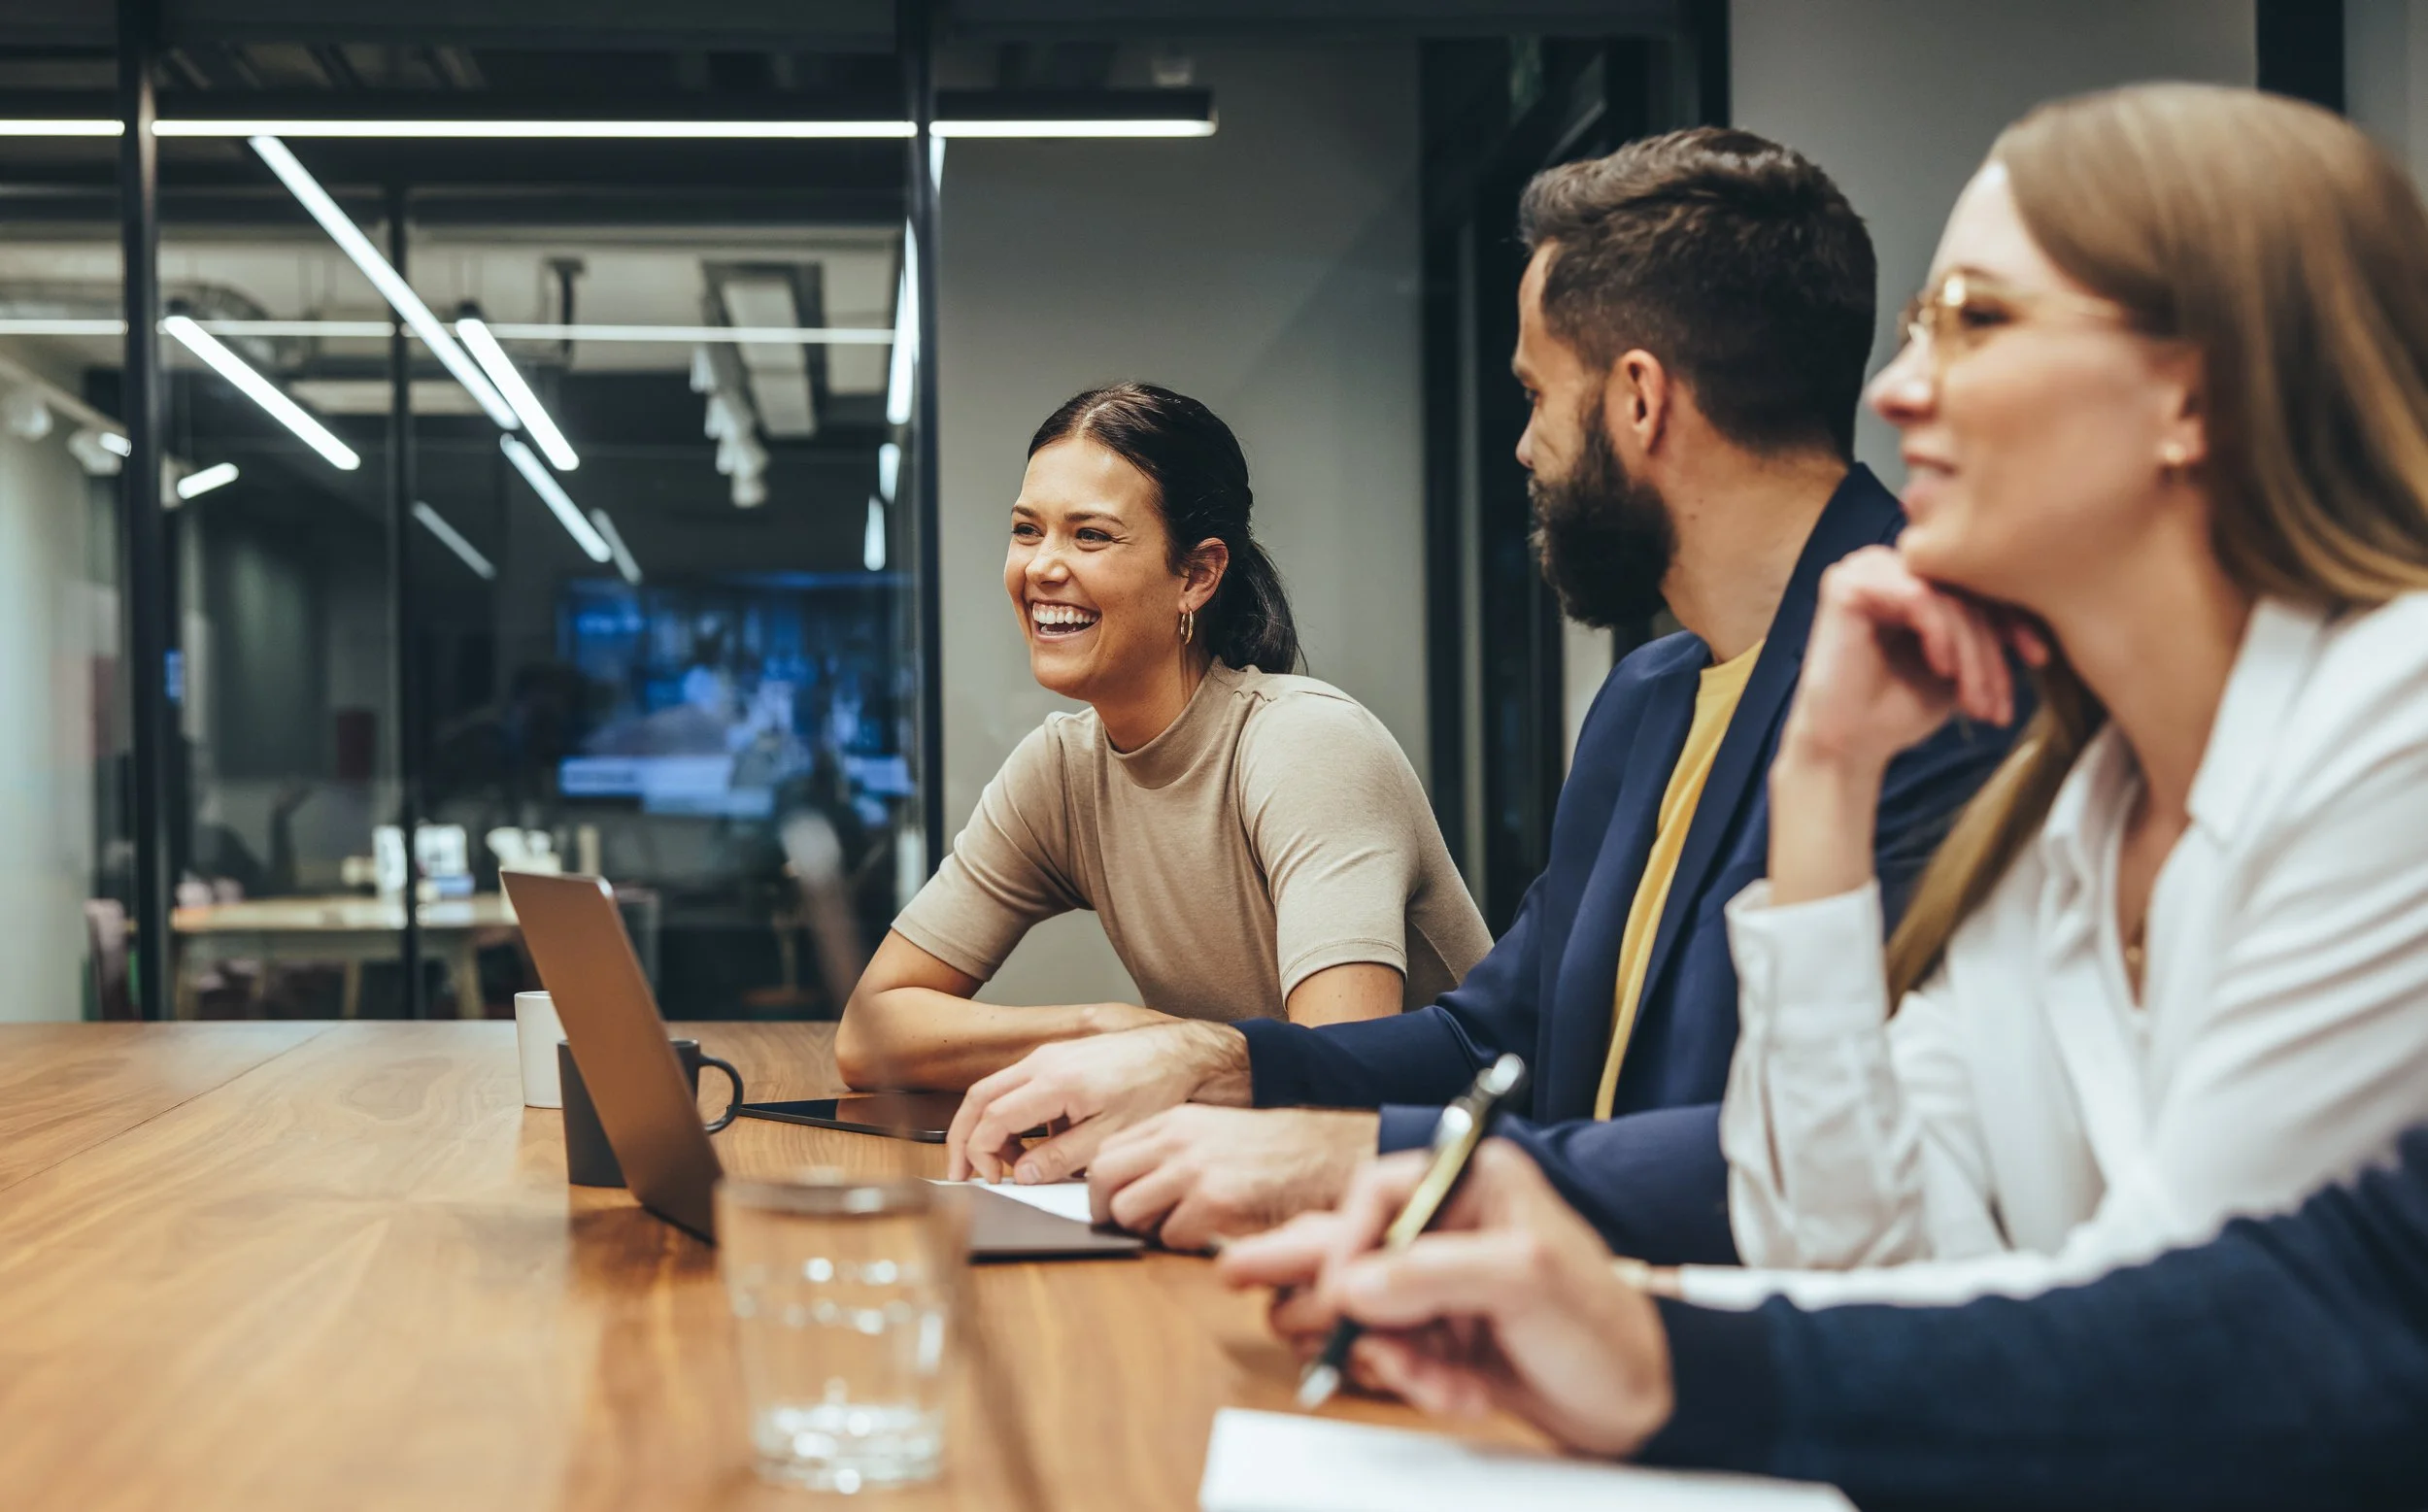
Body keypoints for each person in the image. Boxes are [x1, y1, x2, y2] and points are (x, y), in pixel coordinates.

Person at [944, 127, 2016, 1260]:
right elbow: (1493, 1037)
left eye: (1536, 395)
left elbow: (1822, 1156)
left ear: (1637, 402)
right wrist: (1219, 1063)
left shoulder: (1943, 690)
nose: (1523, 449)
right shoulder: (1648, 701)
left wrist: (1353, 1156)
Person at [1649, 81, 2428, 1311]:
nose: (1897, 391)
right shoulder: (2071, 813)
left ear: (2196, 395)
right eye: (1918, 325)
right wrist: (1824, 776)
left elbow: (2161, 1340)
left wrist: (1638, 1340)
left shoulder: (2403, 727)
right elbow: (1840, 1254)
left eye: (1975, 320)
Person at [834, 383, 1490, 1092]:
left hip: (1457, 1178)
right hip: (1270, 1169)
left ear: (1198, 575)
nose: (1042, 566)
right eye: (1027, 529)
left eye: (1090, 534)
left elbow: (1338, 1086)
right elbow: (869, 1037)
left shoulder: (1307, 744)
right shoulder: (1061, 771)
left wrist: (1164, 1055)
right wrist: (1106, 1029)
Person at [1218, 1132, 2428, 1512]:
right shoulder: (2061, 780)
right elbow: (1848, 1213)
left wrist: (1662, 1347)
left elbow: (2276, 1327)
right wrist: (1655, 1357)